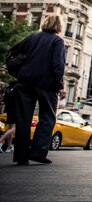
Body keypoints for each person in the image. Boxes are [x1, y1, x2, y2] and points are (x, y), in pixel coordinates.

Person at [11, 15, 67, 165]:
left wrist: (19, 71)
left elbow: (13, 51)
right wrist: (60, 86)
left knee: (23, 118)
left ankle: (21, 157)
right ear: (59, 26)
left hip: (24, 80)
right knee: (47, 117)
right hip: (45, 82)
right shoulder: (57, 41)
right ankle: (37, 152)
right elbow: (58, 65)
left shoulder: (31, 37)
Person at [0, 81, 18, 153]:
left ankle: (9, 146)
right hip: (16, 110)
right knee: (15, 127)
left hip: (9, 110)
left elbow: (4, 99)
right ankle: (1, 140)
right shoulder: (18, 87)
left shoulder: (8, 88)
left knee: (11, 128)